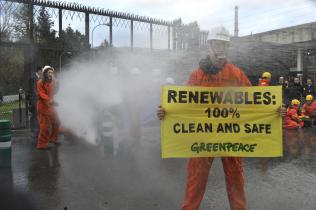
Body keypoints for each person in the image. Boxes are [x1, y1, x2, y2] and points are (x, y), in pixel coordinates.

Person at [157, 26, 250, 210]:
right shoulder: (197, 75)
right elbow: (183, 103)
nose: (220, 48)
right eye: (216, 43)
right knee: (195, 184)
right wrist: (166, 111)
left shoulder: (236, 74)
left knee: (236, 183)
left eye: (223, 44)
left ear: (227, 47)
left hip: (229, 135)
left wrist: (275, 111)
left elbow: (255, 103)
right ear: (209, 46)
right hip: (202, 137)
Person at [36, 65, 60, 150]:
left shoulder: (52, 82)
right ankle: (41, 145)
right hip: (43, 107)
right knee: (45, 126)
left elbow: (55, 92)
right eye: (49, 72)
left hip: (51, 106)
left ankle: (53, 139)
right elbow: (42, 94)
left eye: (52, 72)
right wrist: (51, 101)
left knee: (57, 122)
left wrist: (58, 85)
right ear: (45, 73)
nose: (51, 74)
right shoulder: (40, 82)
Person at [27, 66, 42, 137]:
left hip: (37, 100)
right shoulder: (34, 78)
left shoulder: (39, 78)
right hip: (34, 100)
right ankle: (33, 130)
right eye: (41, 71)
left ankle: (37, 130)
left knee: (37, 115)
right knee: (34, 115)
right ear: (39, 71)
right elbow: (33, 90)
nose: (42, 72)